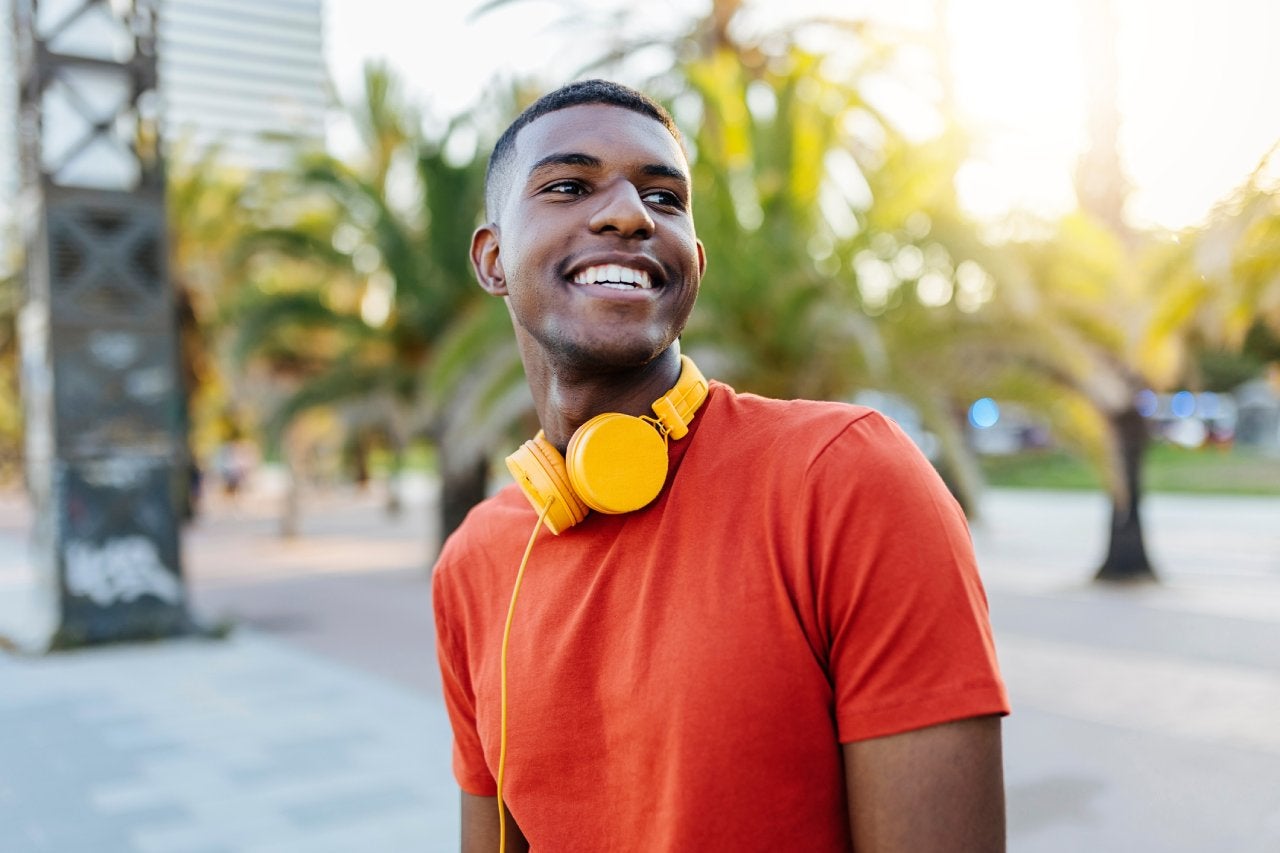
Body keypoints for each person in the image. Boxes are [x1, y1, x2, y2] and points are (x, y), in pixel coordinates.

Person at [432, 79, 1009, 852]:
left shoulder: (846, 478)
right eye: (569, 186)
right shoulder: (473, 562)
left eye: (664, 198)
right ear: (493, 257)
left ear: (693, 265)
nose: (630, 213)